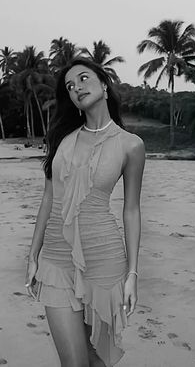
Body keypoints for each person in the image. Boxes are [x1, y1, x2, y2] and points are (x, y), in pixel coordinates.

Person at [25, 57, 145, 367]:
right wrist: (32, 256)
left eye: (83, 79)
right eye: (70, 86)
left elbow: (131, 210)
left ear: (104, 84)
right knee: (74, 363)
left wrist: (133, 273)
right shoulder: (63, 140)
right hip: (56, 260)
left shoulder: (131, 145)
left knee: (95, 358)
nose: (77, 88)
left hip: (104, 260)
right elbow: (48, 199)